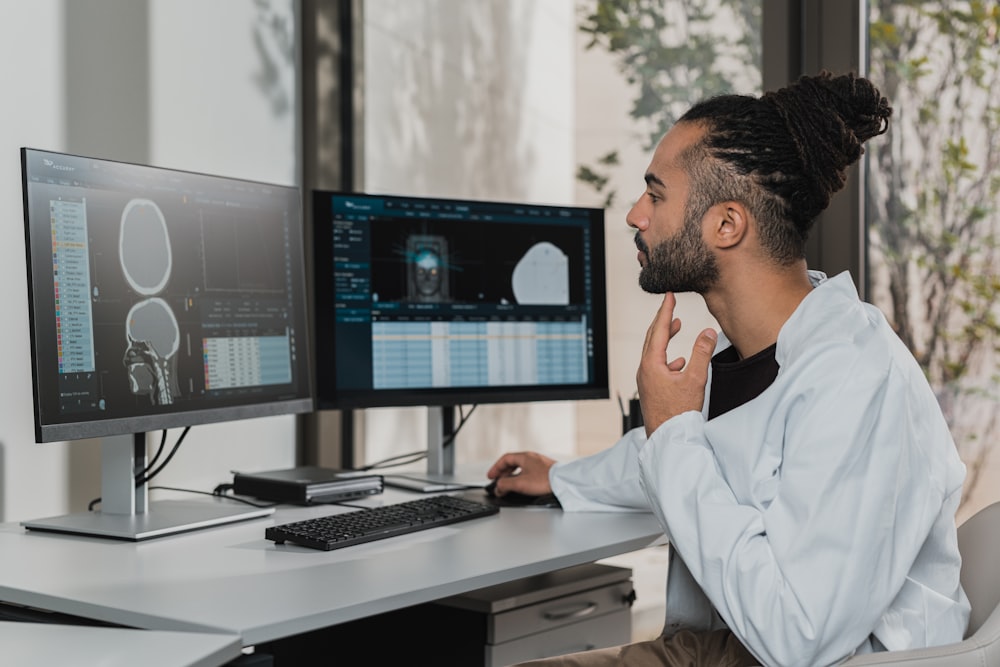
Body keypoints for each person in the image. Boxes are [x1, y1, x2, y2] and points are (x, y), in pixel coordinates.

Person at [487, 71, 970, 667]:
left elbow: (797, 638)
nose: (636, 215)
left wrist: (673, 432)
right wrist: (562, 477)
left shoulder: (857, 378)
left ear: (726, 225)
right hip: (738, 643)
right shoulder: (758, 357)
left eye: (656, 194)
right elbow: (700, 456)